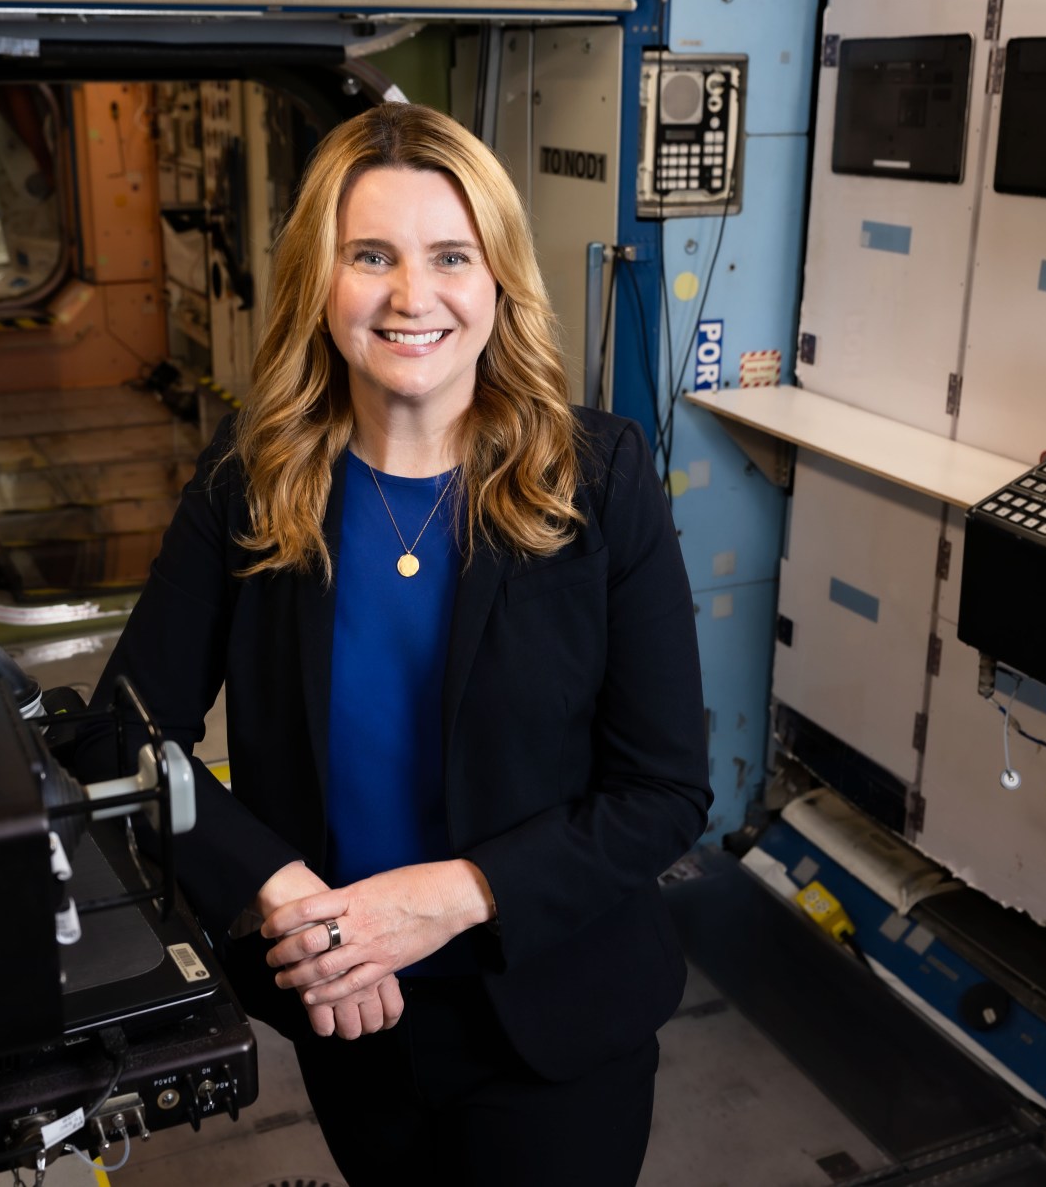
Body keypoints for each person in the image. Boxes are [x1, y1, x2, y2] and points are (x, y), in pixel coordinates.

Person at [97, 101, 709, 1184]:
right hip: (348, 1009)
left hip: (553, 1014)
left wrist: (442, 898)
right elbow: (121, 738)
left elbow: (660, 791)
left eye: (448, 257)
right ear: (316, 283)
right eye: (369, 255)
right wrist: (279, 891)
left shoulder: (600, 481)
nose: (410, 296)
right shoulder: (247, 486)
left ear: (498, 283)